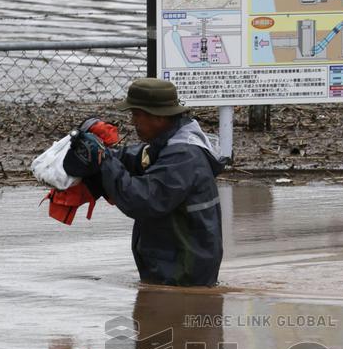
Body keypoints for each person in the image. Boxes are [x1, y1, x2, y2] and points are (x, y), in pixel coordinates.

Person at [63, 78, 224, 287]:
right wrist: (104, 154)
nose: (133, 122)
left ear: (159, 117)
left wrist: (105, 161)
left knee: (165, 318)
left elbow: (143, 200)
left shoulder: (183, 156)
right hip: (177, 266)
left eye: (137, 114)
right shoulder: (172, 143)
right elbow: (136, 157)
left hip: (182, 273)